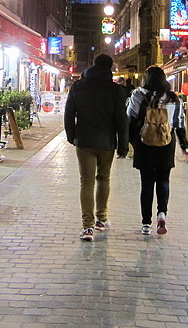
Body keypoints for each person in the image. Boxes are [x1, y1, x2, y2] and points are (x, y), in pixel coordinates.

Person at [64, 54, 129, 242]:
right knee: (103, 178)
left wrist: (72, 136)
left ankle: (87, 227)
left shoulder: (78, 87)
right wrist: (123, 145)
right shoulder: (115, 90)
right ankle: (101, 218)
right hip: (107, 142)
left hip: (84, 140)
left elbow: (69, 114)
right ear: (109, 68)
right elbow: (121, 120)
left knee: (86, 181)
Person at [127, 65, 187, 236]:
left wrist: (131, 142)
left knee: (146, 184)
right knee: (163, 180)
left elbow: (130, 118)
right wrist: (184, 146)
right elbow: (179, 124)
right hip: (166, 144)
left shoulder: (139, 95)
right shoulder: (173, 98)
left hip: (144, 143)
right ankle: (162, 214)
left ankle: (146, 224)